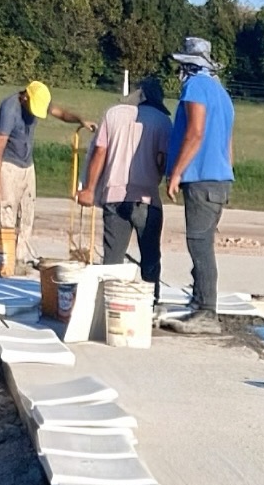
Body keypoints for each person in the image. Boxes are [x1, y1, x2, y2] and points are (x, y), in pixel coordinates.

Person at [162, 37, 236, 334]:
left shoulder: (196, 87)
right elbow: (228, 141)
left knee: (200, 243)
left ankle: (206, 310)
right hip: (219, 178)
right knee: (202, 242)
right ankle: (199, 301)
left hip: (202, 178)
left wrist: (177, 172)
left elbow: (195, 132)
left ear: (189, 65)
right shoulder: (221, 92)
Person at [77, 77, 174, 292]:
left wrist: (90, 189)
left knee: (112, 258)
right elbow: (162, 160)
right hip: (147, 198)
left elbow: (100, 152)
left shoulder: (113, 114)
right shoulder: (163, 122)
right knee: (150, 255)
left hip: (114, 195)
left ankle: (108, 300)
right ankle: (150, 301)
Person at [0, 80, 90, 270]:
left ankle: (21, 258)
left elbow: (61, 113)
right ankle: (7, 260)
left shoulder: (39, 100)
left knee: (28, 213)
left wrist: (80, 119)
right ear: (25, 97)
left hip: (28, 164)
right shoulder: (9, 109)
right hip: (8, 165)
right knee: (8, 214)